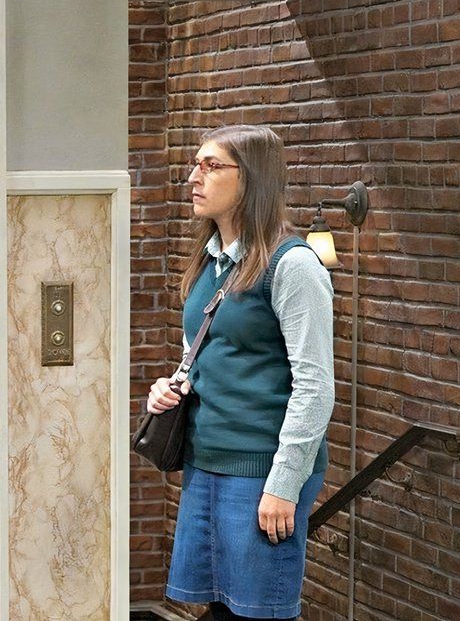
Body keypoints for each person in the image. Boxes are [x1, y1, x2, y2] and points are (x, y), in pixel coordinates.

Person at [147, 124, 335, 620]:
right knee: (221, 609)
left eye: (211, 166)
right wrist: (171, 388)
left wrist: (283, 485)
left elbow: (315, 388)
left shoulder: (293, 266)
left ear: (250, 179)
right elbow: (204, 354)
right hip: (205, 459)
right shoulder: (210, 261)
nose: (194, 177)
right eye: (196, 164)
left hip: (260, 468)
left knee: (261, 611)